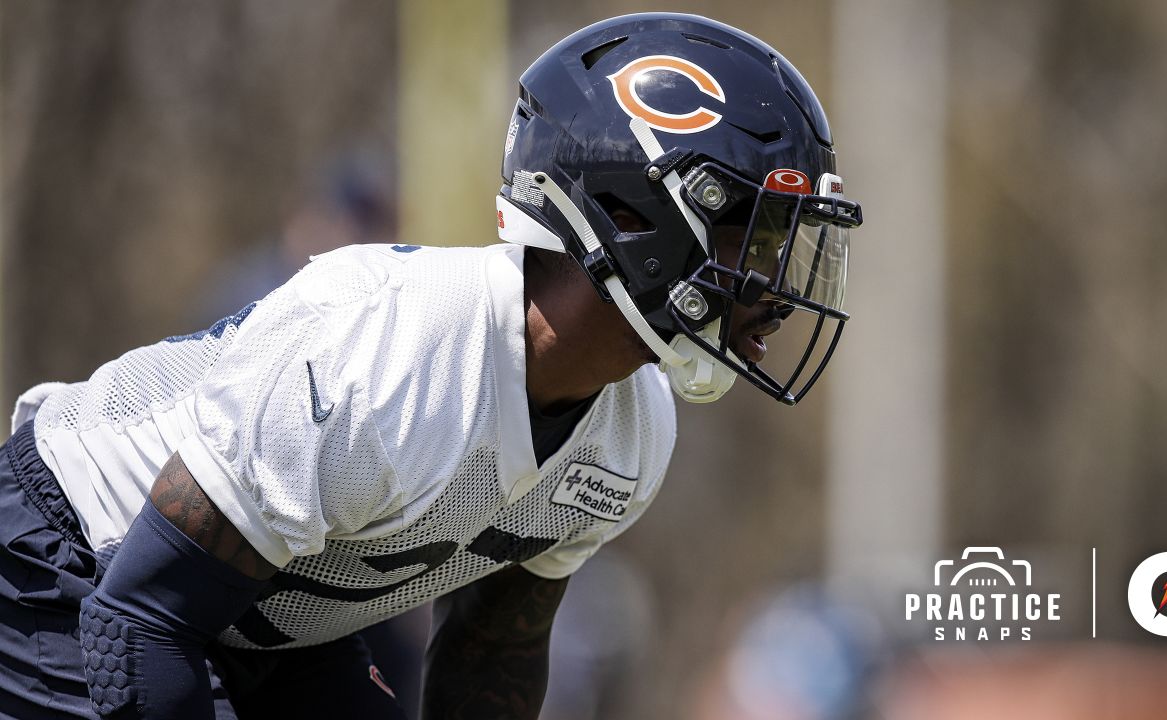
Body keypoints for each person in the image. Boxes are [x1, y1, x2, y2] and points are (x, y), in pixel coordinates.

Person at [0, 12, 861, 720]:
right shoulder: (390, 351)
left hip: (271, 610)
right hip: (72, 563)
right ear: (633, 215)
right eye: (758, 237)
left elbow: (493, 654)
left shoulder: (634, 430)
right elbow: (139, 619)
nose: (777, 289)